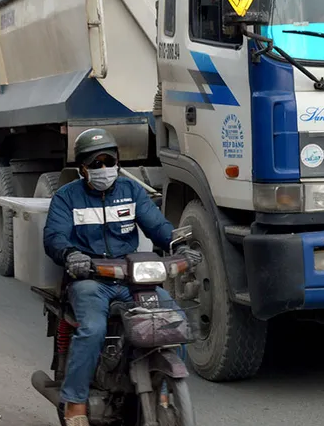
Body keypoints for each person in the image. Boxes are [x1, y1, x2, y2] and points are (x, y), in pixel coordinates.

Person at [43, 128, 202, 426]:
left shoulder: (131, 191)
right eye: (96, 163)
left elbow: (158, 227)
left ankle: (164, 389)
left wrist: (181, 247)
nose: (104, 169)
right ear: (83, 168)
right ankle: (75, 403)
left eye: (109, 161)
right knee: (92, 329)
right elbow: (54, 237)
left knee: (174, 320)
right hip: (90, 279)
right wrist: (71, 256)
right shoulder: (67, 197)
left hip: (131, 278)